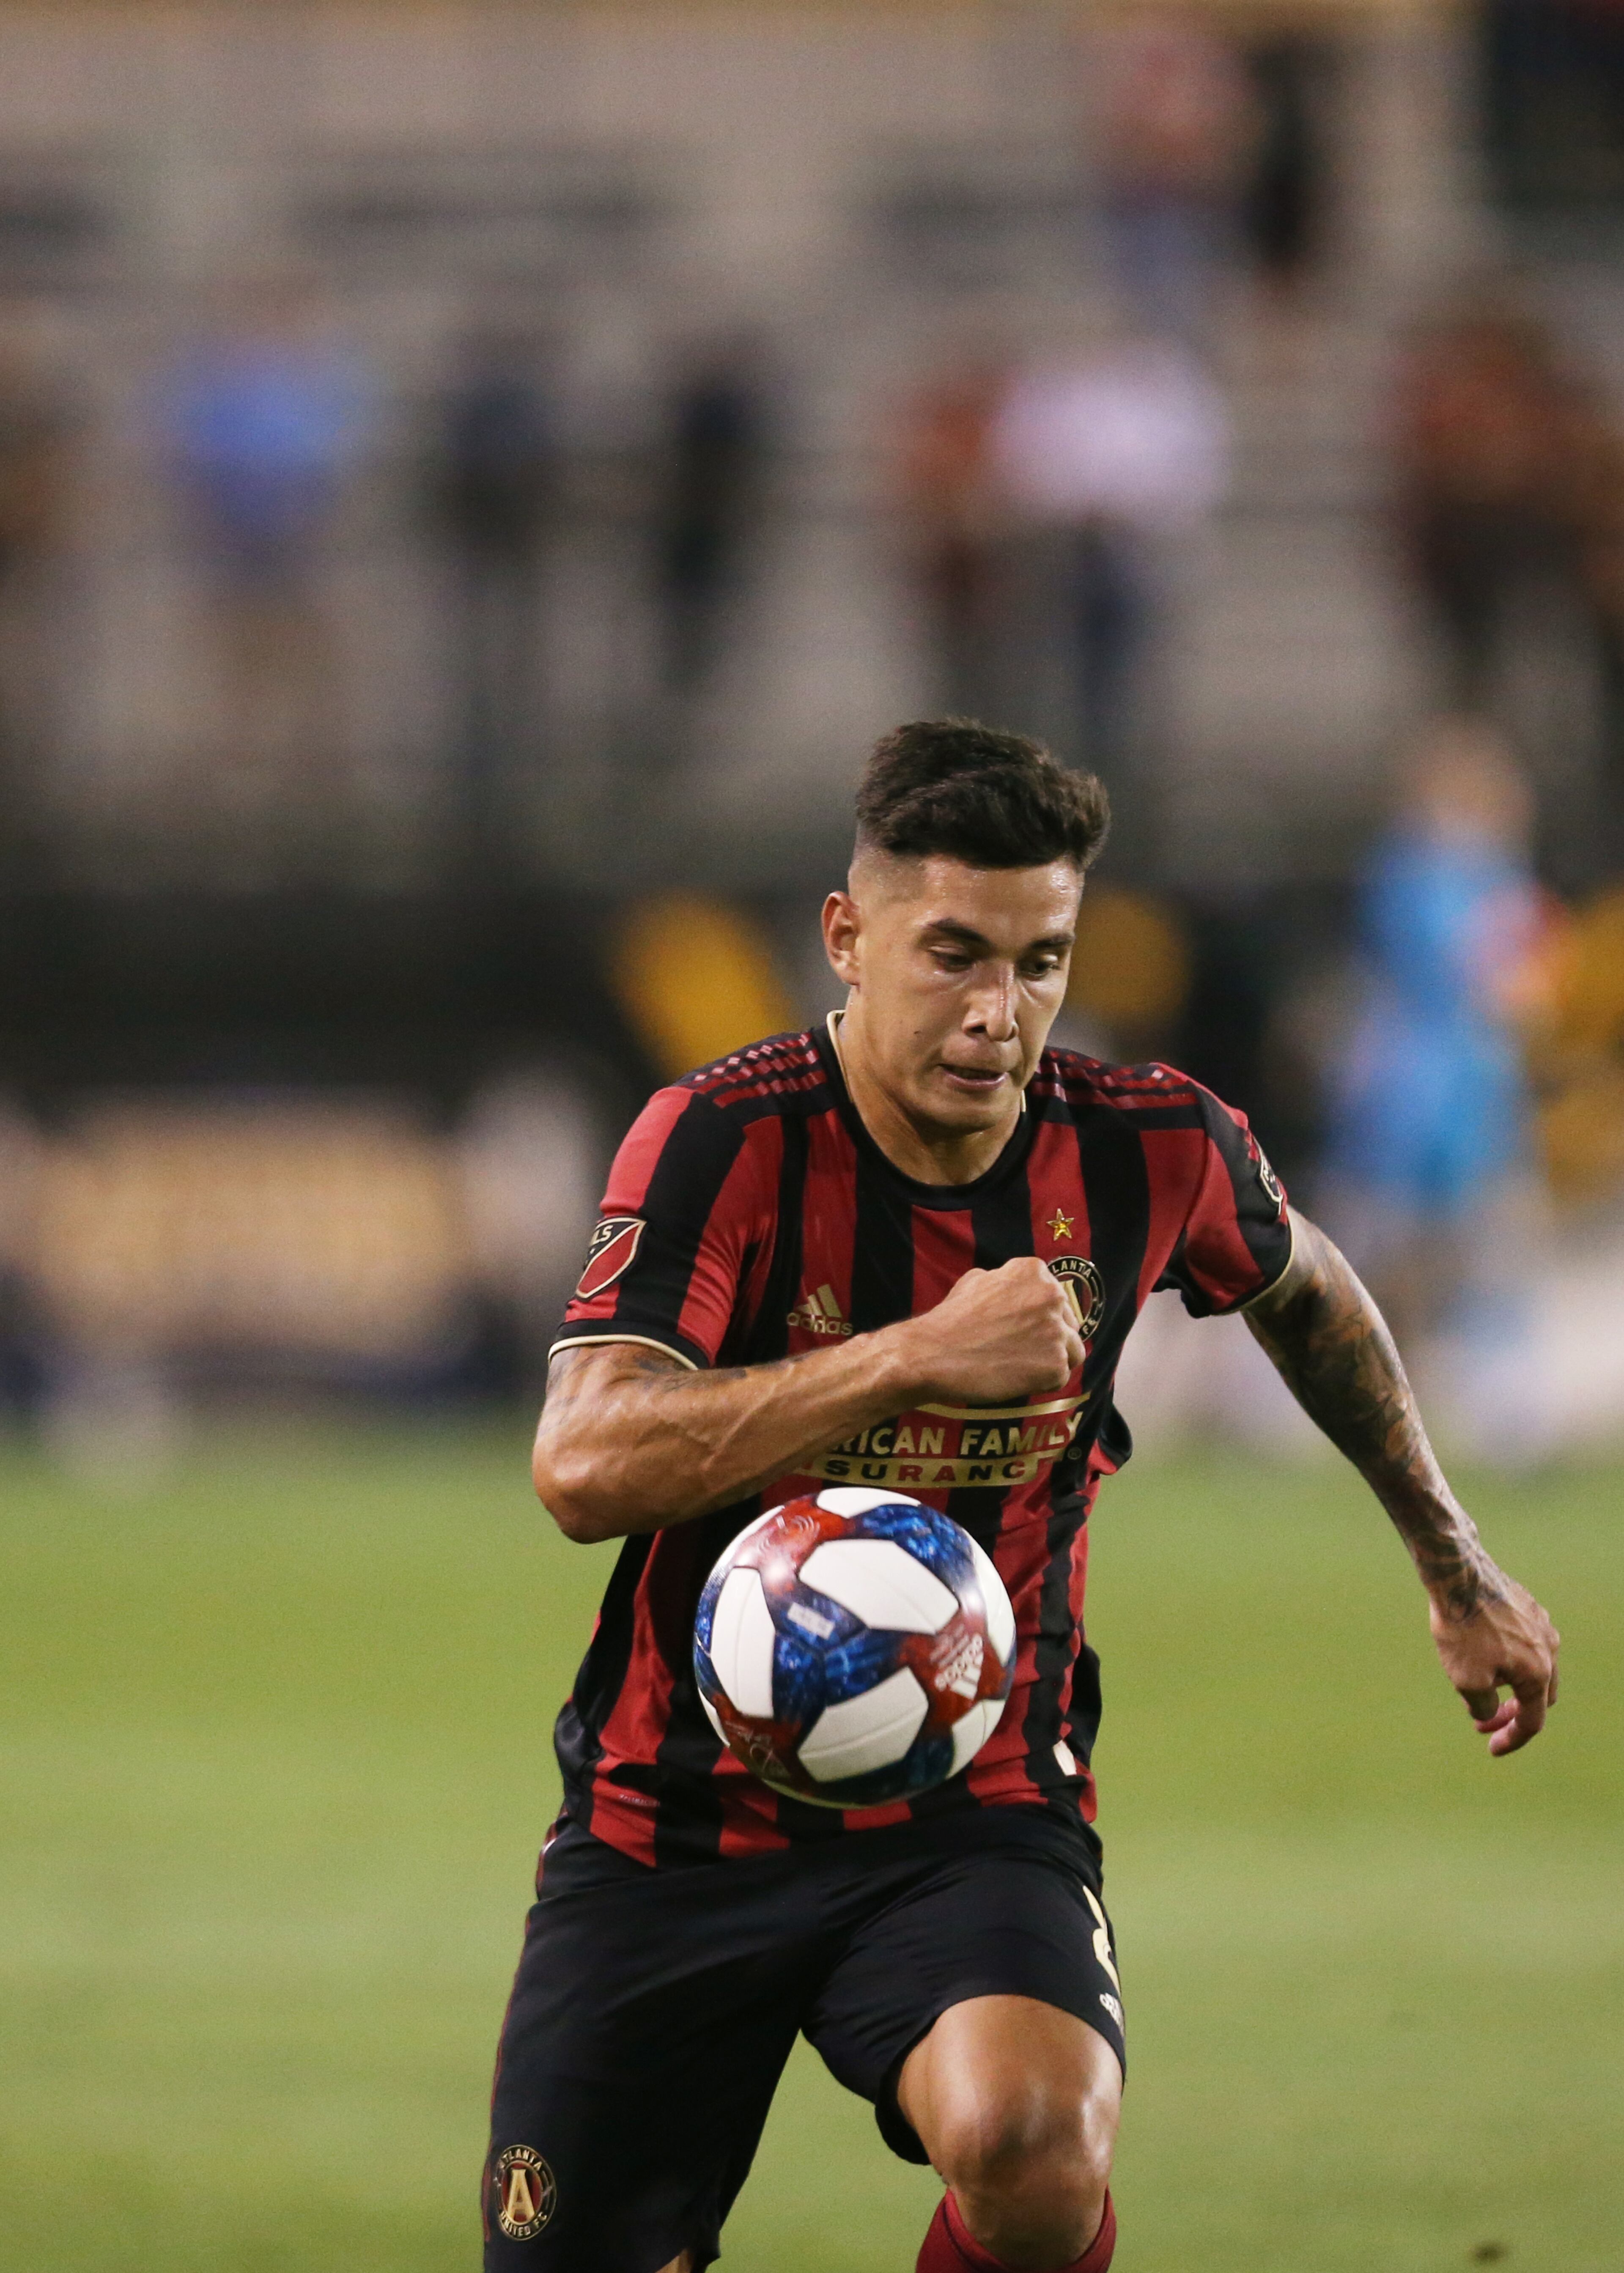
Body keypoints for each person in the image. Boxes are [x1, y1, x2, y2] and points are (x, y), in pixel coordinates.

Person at [490, 720, 1559, 2273]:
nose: (1001, 1013)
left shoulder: (1145, 1145)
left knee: (1034, 2144)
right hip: (672, 1820)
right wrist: (914, 1355)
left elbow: (1312, 1291)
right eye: (954, 955)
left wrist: (1454, 1563)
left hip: (974, 1806)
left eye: (1041, 961)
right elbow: (582, 1468)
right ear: (847, 940)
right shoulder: (726, 1137)